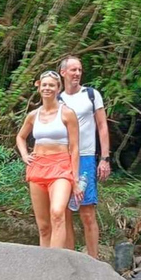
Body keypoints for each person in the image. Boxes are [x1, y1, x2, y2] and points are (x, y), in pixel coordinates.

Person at [16, 70, 82, 249]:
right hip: (38, 167)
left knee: (58, 212)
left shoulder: (67, 113)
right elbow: (20, 137)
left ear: (58, 88)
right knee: (44, 226)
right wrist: (24, 155)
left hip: (61, 167)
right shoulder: (33, 115)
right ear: (39, 87)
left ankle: (55, 262)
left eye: (52, 85)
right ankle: (43, 266)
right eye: (44, 84)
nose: (47, 88)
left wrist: (75, 179)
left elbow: (75, 148)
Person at [59, 56, 110, 259]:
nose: (77, 73)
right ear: (63, 72)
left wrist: (104, 158)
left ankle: (94, 261)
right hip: (62, 158)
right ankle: (71, 260)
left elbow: (102, 126)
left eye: (79, 70)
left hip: (86, 157)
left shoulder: (91, 94)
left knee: (87, 211)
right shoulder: (57, 99)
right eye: (73, 70)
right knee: (64, 212)